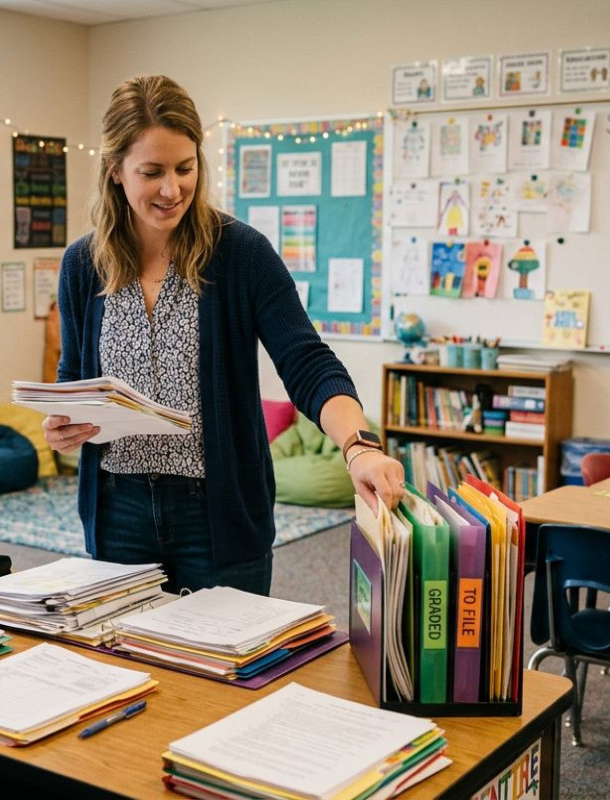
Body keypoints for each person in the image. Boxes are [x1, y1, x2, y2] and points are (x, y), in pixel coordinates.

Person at [44, 75, 404, 596]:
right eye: (152, 172)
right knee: (126, 668)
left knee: (227, 673)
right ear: (114, 170)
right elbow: (72, 383)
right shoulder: (83, 264)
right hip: (116, 510)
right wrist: (64, 427)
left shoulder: (241, 253)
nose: (172, 189)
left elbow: (306, 360)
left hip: (217, 515)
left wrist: (358, 446)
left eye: (184, 168)